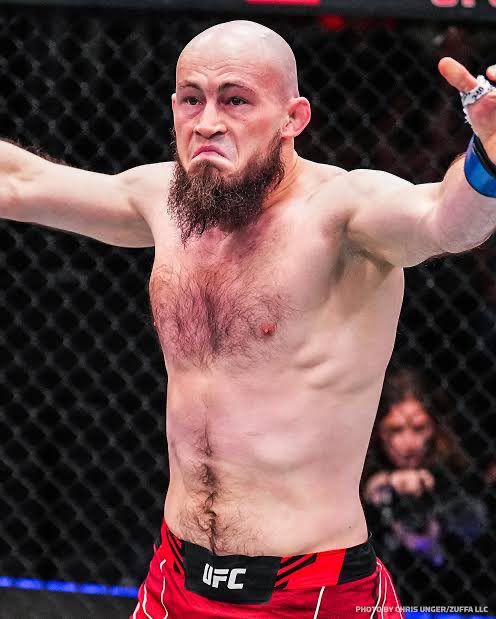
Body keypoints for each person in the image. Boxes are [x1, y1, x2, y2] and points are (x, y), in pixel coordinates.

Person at [1, 18, 496, 618]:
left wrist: (487, 158)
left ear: (293, 118)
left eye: (235, 100)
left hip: (311, 589)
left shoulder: (341, 212)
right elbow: (19, 181)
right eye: (192, 100)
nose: (208, 122)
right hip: (174, 574)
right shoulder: (164, 200)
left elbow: (446, 221)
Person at [362, 368, 490, 605]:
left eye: (419, 428)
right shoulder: (362, 473)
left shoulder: (457, 472)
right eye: (395, 430)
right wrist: (383, 483)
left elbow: (478, 527)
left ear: (435, 427)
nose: (409, 443)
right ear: (378, 430)